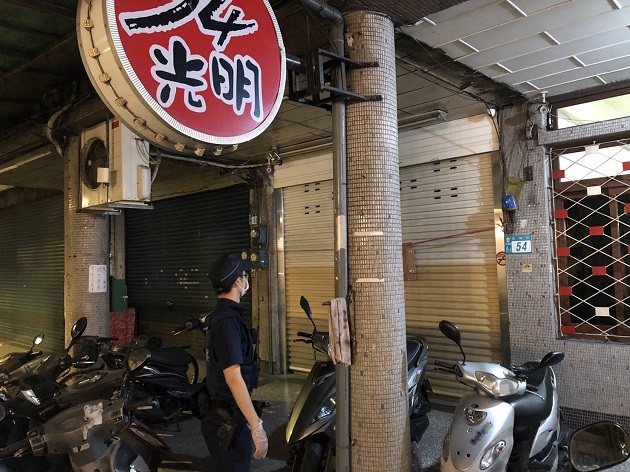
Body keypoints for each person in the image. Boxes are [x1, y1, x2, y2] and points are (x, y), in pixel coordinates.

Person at [202, 253, 268, 471]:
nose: (246, 279)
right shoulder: (226, 321)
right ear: (237, 282)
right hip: (226, 421)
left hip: (229, 416)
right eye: (244, 275)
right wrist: (255, 425)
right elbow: (233, 378)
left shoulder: (223, 315)